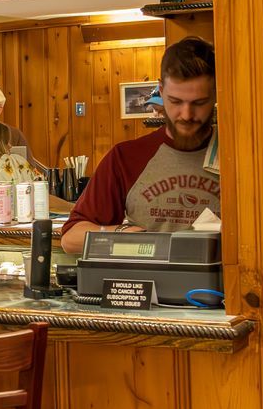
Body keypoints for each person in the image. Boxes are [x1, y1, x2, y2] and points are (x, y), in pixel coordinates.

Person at [61, 36, 220, 254]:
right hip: (142, 286)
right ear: (161, 91)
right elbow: (71, 239)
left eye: (199, 103)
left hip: (215, 287)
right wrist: (120, 235)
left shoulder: (239, 157)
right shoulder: (126, 157)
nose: (186, 115)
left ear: (215, 95)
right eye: (175, 101)